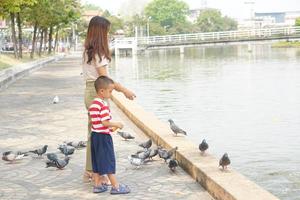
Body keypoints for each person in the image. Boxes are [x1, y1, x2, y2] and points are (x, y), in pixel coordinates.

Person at [82, 16, 136, 181]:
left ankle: (91, 171)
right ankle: (95, 173)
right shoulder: (98, 52)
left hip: (90, 91)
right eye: (106, 31)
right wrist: (124, 90)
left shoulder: (88, 50)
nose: (108, 34)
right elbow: (106, 81)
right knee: (100, 135)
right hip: (97, 92)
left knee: (94, 133)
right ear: (100, 32)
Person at [89, 76, 130, 194]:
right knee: (108, 160)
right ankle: (116, 186)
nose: (111, 94)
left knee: (96, 161)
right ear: (102, 91)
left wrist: (110, 128)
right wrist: (116, 124)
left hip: (95, 136)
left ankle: (97, 185)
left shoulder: (93, 104)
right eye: (110, 91)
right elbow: (104, 122)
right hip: (103, 138)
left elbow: (97, 123)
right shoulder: (103, 105)